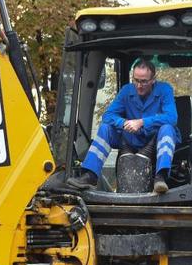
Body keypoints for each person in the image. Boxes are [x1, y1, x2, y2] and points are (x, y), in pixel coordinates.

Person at [70, 59, 178, 195]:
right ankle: (90, 175)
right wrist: (124, 123)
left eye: (144, 81)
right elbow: (108, 115)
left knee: (168, 128)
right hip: (130, 139)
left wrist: (142, 122)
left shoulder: (165, 90)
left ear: (153, 80)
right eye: (136, 80)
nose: (139, 85)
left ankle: (161, 177)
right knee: (105, 128)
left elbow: (172, 117)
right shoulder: (127, 91)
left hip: (154, 139)